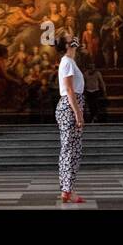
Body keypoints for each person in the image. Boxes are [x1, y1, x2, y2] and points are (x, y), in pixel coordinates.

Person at [55, 36, 87, 204]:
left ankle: (66, 190)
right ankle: (68, 190)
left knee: (71, 149)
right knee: (70, 150)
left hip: (71, 106)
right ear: (67, 45)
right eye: (70, 38)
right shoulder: (66, 61)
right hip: (70, 107)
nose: (74, 38)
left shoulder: (70, 61)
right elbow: (69, 89)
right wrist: (78, 113)